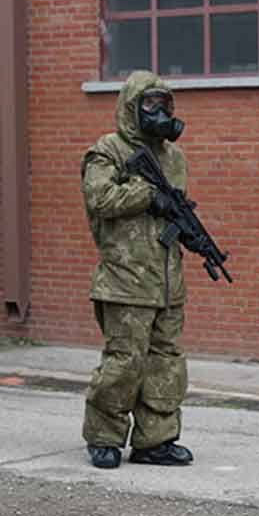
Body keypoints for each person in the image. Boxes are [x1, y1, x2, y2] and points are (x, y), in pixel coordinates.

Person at [80, 71, 193, 470]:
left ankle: (156, 441)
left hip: (166, 282)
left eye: (165, 104)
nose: (159, 112)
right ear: (131, 106)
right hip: (125, 281)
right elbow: (100, 198)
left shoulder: (174, 158)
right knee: (123, 363)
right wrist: (148, 195)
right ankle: (105, 436)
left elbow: (173, 212)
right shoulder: (107, 151)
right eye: (150, 104)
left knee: (166, 365)